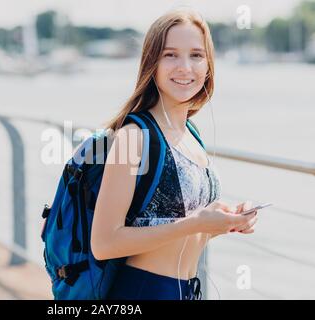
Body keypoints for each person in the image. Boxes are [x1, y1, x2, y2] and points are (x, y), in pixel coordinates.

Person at [90, 8, 258, 300]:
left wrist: (225, 221)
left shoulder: (191, 135)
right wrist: (196, 223)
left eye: (196, 55)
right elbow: (104, 243)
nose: (185, 67)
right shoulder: (134, 136)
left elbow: (179, 229)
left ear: (208, 65)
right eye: (170, 55)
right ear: (151, 64)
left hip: (187, 290)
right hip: (144, 291)